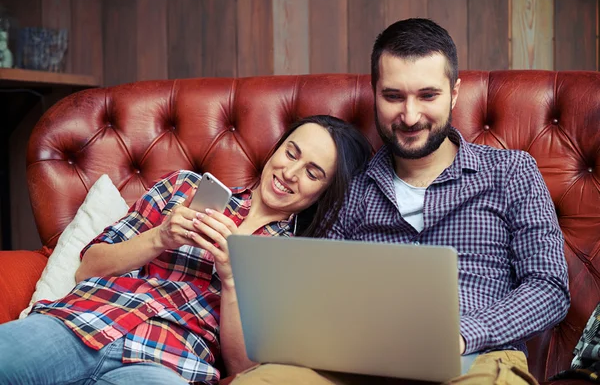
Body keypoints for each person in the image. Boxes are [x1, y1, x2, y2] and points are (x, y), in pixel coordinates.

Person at [230, 19, 570, 385]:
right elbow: (312, 293)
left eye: (428, 96)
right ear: (375, 92)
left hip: (476, 361)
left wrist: (460, 335)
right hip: (357, 364)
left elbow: (549, 287)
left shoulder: (511, 172)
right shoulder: (351, 188)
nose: (409, 116)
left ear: (454, 93)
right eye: (393, 97)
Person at [0, 115, 372, 385]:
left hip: (166, 364)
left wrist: (232, 277)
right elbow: (87, 269)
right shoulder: (183, 189)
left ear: (324, 193)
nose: (290, 173)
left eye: (312, 172)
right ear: (277, 149)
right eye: (291, 153)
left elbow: (245, 369)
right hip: (82, 323)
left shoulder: (292, 261)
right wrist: (160, 237)